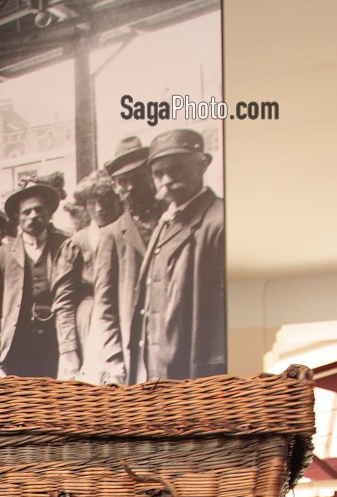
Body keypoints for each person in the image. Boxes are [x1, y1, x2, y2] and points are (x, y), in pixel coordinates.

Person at [129, 128, 225, 382]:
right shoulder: (166, 221)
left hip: (195, 370)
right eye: (158, 173)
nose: (166, 179)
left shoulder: (220, 220)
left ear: (202, 165)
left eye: (177, 169)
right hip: (155, 369)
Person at [0, 175, 71, 379]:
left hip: (56, 343)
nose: (33, 216)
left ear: (49, 213)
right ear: (17, 218)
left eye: (39, 209)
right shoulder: (1, 255)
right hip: (18, 345)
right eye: (27, 212)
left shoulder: (65, 245)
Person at [94, 138, 162, 384]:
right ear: (115, 187)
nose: (130, 187)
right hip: (135, 349)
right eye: (123, 181)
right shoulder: (112, 234)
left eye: (136, 177)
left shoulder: (172, 219)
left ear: (150, 176)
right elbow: (105, 302)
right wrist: (113, 356)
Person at [55, 170, 122, 381]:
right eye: (92, 203)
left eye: (105, 201)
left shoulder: (127, 234)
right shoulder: (78, 242)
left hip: (124, 316)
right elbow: (63, 300)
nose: (99, 209)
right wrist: (68, 349)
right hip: (89, 322)